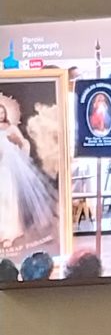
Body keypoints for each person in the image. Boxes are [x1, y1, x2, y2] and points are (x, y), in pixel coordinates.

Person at [0, 100, 55, 252]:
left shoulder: (11, 128)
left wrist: (19, 150)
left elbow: (24, 143)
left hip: (8, 168)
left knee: (9, 199)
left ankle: (9, 233)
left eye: (2, 112)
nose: (1, 115)